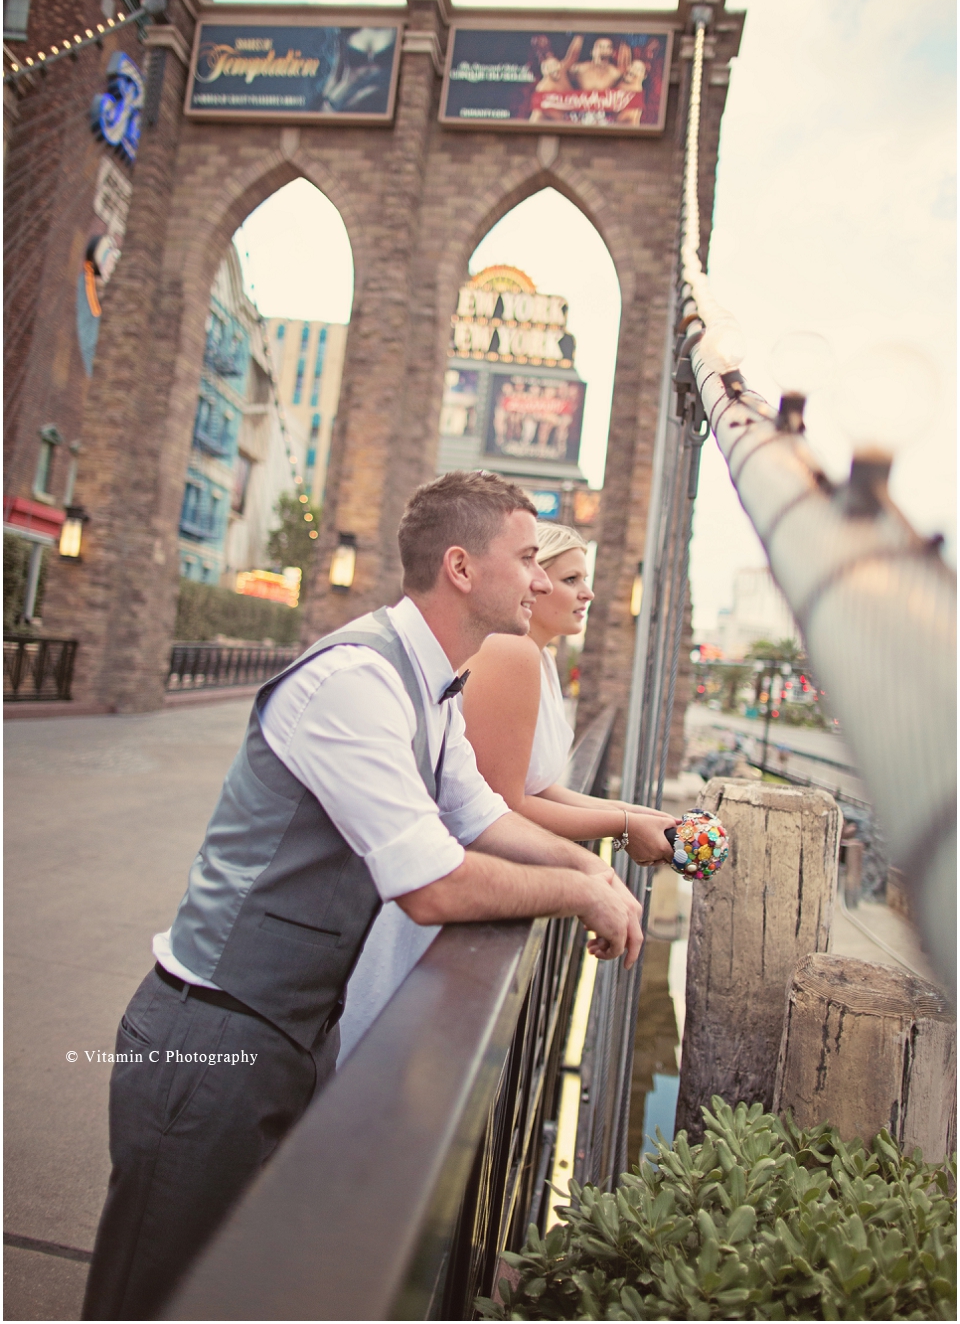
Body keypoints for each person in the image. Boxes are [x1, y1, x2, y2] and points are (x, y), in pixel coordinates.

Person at [81, 471, 644, 1321]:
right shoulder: (356, 682)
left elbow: (479, 812)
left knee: (246, 1293)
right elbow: (430, 881)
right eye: (528, 558)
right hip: (210, 1037)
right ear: (460, 566)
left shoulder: (432, 683)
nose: (539, 579)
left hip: (298, 1030)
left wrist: (594, 869)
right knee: (151, 1300)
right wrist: (578, 897)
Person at [460, 522, 680, 859]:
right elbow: (502, 804)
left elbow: (539, 789)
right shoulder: (509, 652)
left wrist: (629, 814)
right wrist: (621, 827)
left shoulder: (541, 660)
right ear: (531, 583)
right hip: (467, 867)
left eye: (585, 580)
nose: (588, 594)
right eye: (571, 580)